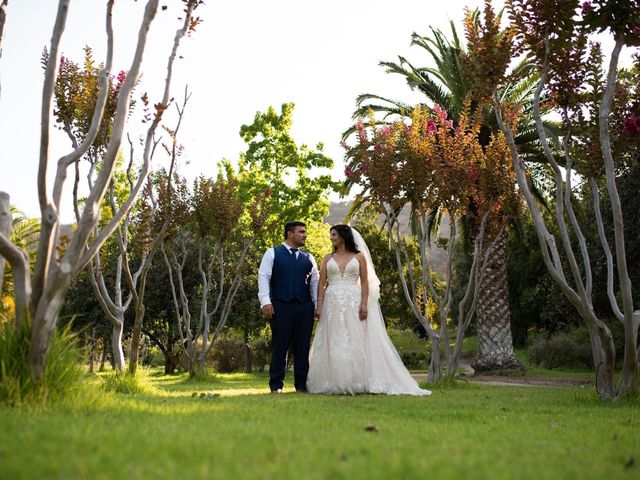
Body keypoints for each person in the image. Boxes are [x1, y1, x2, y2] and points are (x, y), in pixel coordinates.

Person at [307, 224, 431, 396]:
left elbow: (364, 282)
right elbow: (321, 283)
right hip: (332, 303)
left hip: (353, 301)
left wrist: (364, 303)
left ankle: (357, 381)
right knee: (334, 339)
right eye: (331, 235)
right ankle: (335, 380)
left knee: (355, 338)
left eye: (334, 234)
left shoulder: (359, 257)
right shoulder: (328, 258)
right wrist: (319, 305)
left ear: (343, 236)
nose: (331, 238)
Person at [258, 221, 319, 393]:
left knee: (303, 347)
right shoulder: (272, 253)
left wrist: (315, 305)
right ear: (289, 234)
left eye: (305, 232)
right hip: (280, 306)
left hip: (304, 307)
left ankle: (301, 385)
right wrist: (265, 302)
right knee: (280, 345)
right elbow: (263, 277)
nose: (304, 235)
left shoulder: (309, 257)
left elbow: (314, 282)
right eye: (301, 232)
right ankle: (276, 385)